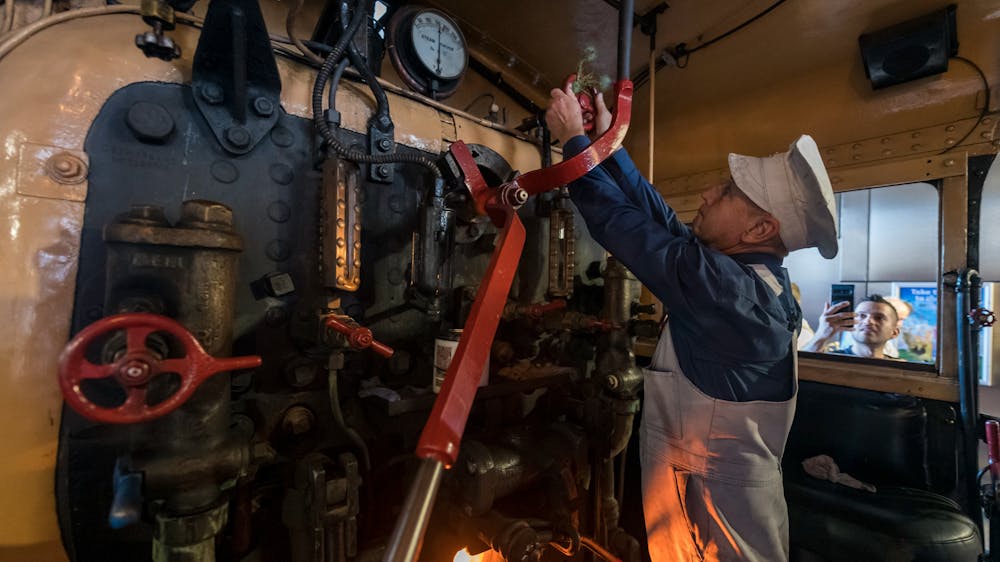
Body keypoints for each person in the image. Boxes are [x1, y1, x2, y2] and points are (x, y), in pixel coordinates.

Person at [546, 85, 838, 562]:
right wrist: (606, 144)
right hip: (717, 505)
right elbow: (661, 223)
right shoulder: (753, 283)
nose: (707, 192)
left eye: (725, 192)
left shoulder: (729, 292)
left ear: (760, 230)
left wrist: (574, 143)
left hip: (715, 526)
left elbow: (623, 227)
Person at [803, 295, 901, 360]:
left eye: (879, 318)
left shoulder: (899, 368)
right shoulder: (832, 361)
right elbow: (799, 368)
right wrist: (821, 334)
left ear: (895, 332)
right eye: (862, 316)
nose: (868, 321)